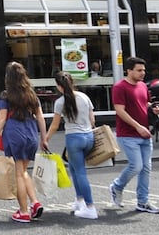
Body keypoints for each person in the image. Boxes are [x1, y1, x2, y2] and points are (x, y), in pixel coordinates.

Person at [0, 62, 48, 223]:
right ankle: (35, 202)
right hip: (31, 133)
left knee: (19, 173)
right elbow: (40, 117)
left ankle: (23, 211)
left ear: (8, 77)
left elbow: (2, 118)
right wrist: (44, 138)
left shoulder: (6, 95)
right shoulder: (31, 94)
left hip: (14, 133)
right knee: (23, 171)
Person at [109, 56, 159, 214]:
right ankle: (116, 186)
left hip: (144, 133)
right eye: (139, 70)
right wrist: (138, 127)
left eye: (144, 70)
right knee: (136, 166)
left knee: (146, 169)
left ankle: (142, 202)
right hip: (128, 134)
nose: (142, 73)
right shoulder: (120, 87)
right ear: (129, 70)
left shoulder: (142, 86)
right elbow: (119, 110)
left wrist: (153, 108)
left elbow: (144, 103)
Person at [45, 71, 97, 219]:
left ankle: (90, 207)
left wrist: (46, 139)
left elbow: (55, 125)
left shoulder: (60, 102)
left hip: (74, 138)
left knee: (80, 172)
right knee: (74, 169)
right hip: (88, 136)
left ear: (59, 86)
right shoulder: (84, 97)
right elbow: (92, 119)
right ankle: (79, 200)